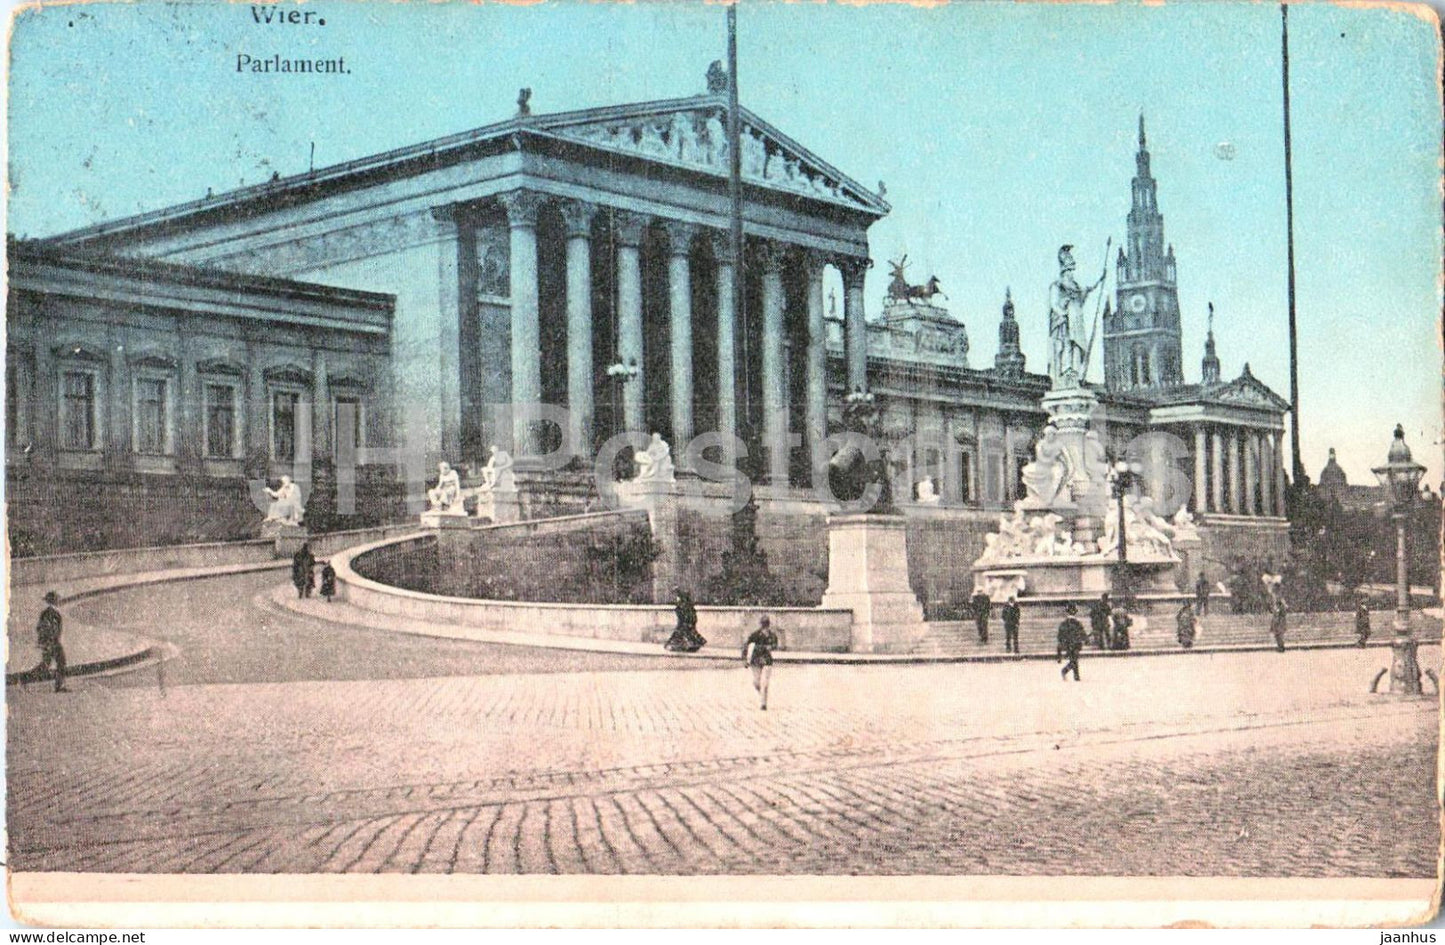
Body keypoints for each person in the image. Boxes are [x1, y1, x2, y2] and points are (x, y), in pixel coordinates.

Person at [31, 590, 69, 693]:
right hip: (52, 642)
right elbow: (43, 628)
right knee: (60, 662)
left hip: (51, 642)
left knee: (47, 664)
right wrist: (47, 642)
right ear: (54, 601)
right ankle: (27, 678)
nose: (59, 601)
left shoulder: (50, 613)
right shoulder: (51, 613)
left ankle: (27, 678)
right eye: (57, 599)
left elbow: (40, 628)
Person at [742, 615, 779, 710]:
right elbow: (746, 644)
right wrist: (745, 659)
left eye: (766, 625)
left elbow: (775, 644)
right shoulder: (755, 634)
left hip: (767, 660)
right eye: (763, 625)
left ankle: (763, 703)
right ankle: (762, 694)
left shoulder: (772, 635)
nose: (765, 627)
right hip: (756, 659)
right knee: (756, 682)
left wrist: (771, 647)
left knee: (765, 683)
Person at [665, 589, 707, 653]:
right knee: (684, 635)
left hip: (685, 623)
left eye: (678, 597)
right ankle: (684, 646)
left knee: (684, 634)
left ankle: (682, 646)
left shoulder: (683, 606)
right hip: (685, 623)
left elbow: (686, 616)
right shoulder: (686, 606)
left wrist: (687, 623)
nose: (677, 599)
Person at [1056, 603, 1086, 682]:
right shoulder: (1077, 623)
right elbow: (1082, 633)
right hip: (1076, 644)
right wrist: (1085, 639)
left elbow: (1060, 636)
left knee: (1074, 660)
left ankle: (1075, 676)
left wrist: (1060, 647)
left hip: (1068, 645)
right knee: (1074, 660)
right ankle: (1067, 672)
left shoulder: (1064, 623)